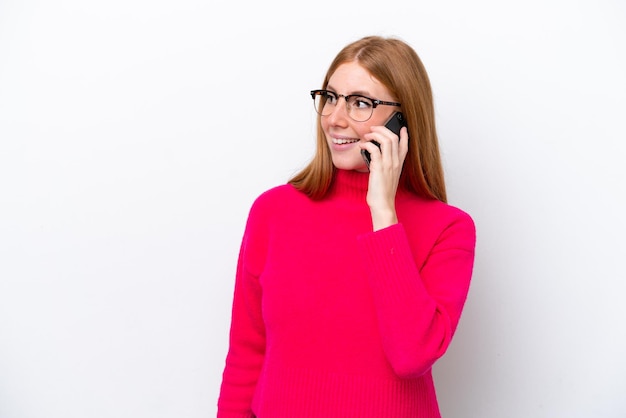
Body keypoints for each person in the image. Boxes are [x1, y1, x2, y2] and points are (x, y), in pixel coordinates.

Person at [217, 35, 476, 418]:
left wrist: (383, 214)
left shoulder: (449, 229)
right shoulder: (273, 211)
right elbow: (247, 351)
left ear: (403, 119)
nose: (335, 118)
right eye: (330, 97)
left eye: (360, 103)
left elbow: (411, 356)